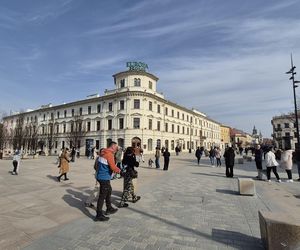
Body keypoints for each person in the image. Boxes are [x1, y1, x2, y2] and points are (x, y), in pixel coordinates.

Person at [95, 141, 121, 222]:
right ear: (113, 146)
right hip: (104, 177)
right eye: (116, 147)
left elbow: (97, 165)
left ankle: (109, 208)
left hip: (101, 175)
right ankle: (99, 214)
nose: (117, 149)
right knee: (102, 195)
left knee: (109, 191)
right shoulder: (109, 154)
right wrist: (121, 172)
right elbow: (113, 167)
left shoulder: (103, 152)